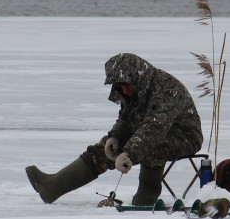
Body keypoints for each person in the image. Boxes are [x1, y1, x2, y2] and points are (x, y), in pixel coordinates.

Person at [26, 52, 203, 205]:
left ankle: (145, 200)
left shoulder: (166, 88)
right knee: (105, 147)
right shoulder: (133, 90)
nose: (123, 91)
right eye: (119, 87)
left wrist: (130, 154)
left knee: (154, 147)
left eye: (125, 86)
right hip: (148, 133)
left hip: (184, 136)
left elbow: (154, 129)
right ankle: (53, 187)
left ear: (136, 78)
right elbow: (126, 120)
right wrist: (115, 138)